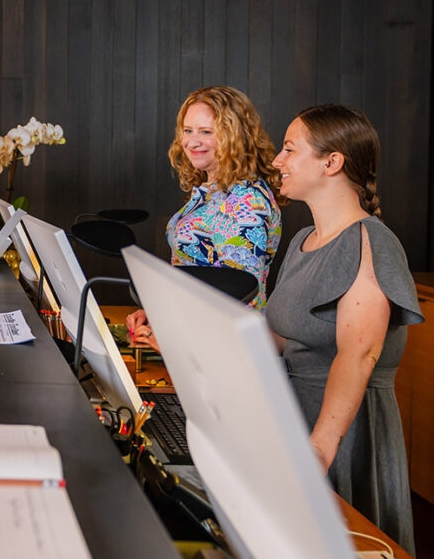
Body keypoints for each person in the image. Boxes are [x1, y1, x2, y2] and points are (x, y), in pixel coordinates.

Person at [265, 104, 423, 553]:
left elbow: (359, 354)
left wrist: (319, 448)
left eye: (290, 149)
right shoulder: (302, 241)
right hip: (294, 417)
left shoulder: (372, 242)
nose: (278, 160)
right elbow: (276, 337)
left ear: (331, 163)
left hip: (342, 433)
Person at [128, 86, 282, 345]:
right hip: (196, 340)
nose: (191, 141)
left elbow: (240, 299)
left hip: (223, 352)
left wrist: (175, 339)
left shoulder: (245, 202)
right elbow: (199, 276)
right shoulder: (213, 191)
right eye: (188, 131)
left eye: (206, 132)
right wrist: (159, 314)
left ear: (235, 136)